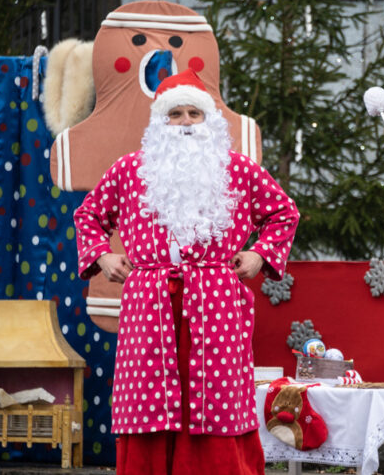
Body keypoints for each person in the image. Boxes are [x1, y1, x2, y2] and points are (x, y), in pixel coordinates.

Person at [74, 68, 299, 475]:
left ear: (209, 120)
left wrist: (259, 256)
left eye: (193, 114)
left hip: (216, 300)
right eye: (174, 114)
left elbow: (283, 212)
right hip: (150, 301)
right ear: (160, 123)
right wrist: (102, 256)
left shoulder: (239, 169)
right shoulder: (130, 170)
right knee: (148, 398)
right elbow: (89, 215)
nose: (185, 123)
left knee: (216, 397)